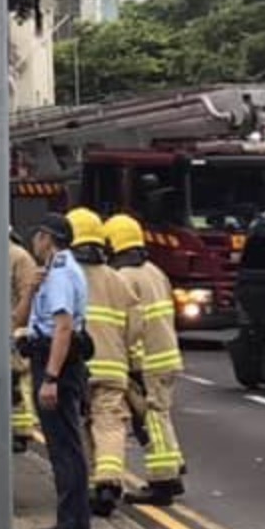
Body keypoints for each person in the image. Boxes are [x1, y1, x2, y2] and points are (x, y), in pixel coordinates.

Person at [106, 213, 186, 505]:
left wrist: (134, 367)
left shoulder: (124, 277)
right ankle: (173, 468)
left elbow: (132, 326)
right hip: (167, 355)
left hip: (147, 362)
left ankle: (163, 482)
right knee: (161, 415)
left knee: (151, 419)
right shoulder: (155, 271)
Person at [67, 208, 142, 518]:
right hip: (113, 365)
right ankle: (109, 480)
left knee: (79, 424)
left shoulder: (66, 276)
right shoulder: (115, 279)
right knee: (109, 422)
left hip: (76, 365)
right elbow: (135, 325)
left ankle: (88, 483)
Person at [22, 214, 91, 529]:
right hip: (50, 357)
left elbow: (63, 327)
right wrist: (30, 289)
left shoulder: (61, 274)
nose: (34, 241)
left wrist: (50, 377)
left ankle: (72, 525)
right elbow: (21, 318)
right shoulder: (51, 271)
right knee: (63, 446)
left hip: (56, 363)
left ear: (47, 237)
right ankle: (72, 521)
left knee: (64, 448)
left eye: (37, 235)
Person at [8, 229, 42, 453]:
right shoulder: (19, 256)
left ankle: (20, 431)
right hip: (8, 325)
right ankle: (19, 430)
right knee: (13, 381)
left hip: (12, 326)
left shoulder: (18, 257)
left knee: (16, 380)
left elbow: (29, 293)